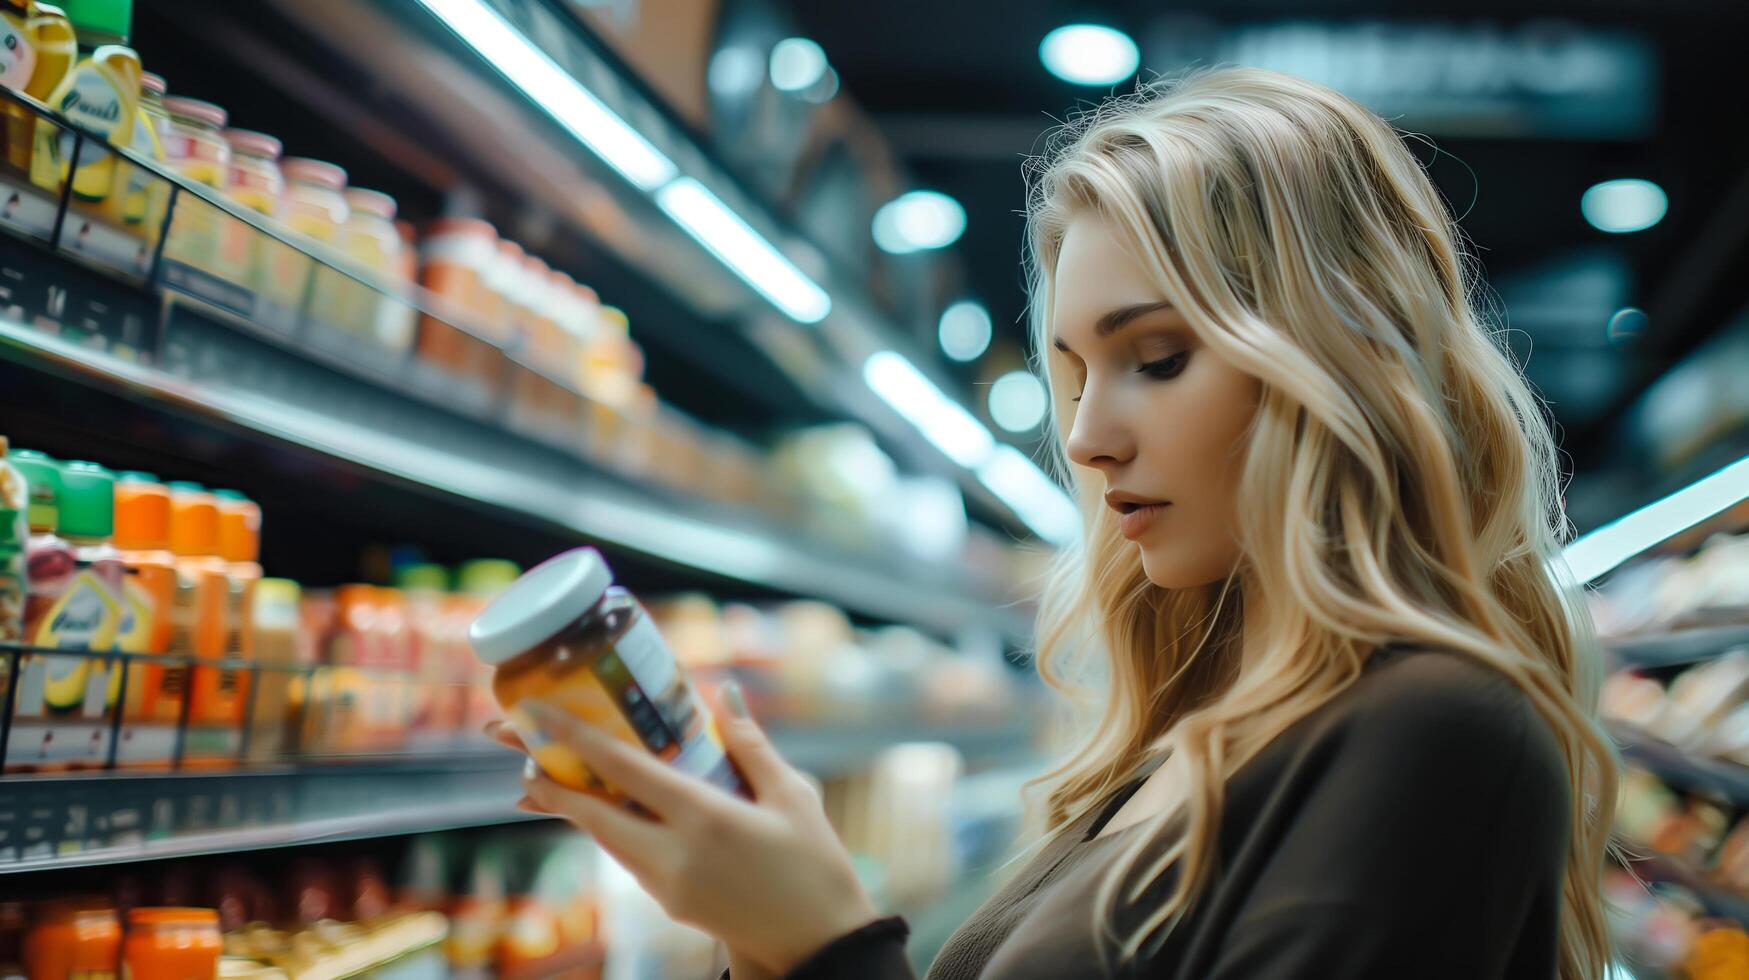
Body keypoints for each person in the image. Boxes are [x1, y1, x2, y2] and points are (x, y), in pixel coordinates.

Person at [488, 66, 1621, 979]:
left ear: (1343, 365)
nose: (1085, 438)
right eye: (1077, 372)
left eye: (1158, 358)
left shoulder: (1440, 730)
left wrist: (827, 943)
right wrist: (761, 925)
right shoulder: (1196, 730)